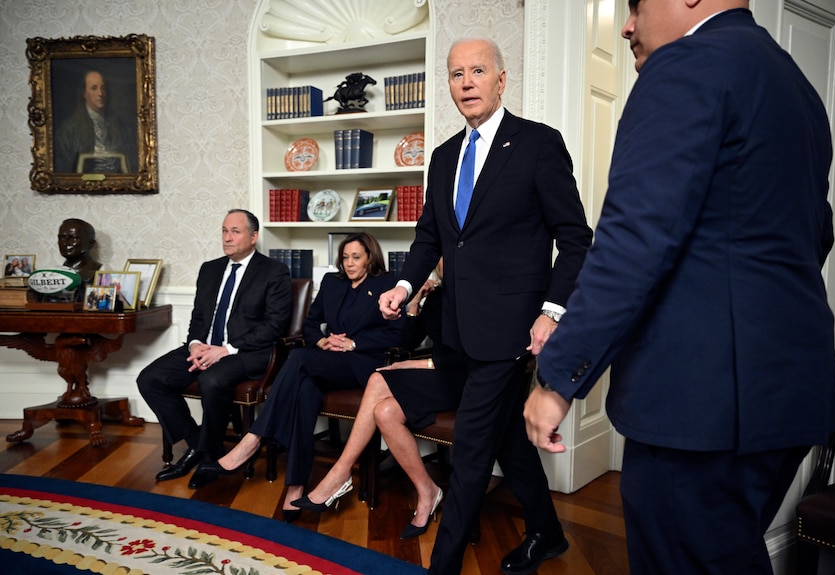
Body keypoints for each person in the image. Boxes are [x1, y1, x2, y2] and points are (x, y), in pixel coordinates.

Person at [524, 2, 835, 574]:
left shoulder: (685, 65)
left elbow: (633, 239)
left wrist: (556, 379)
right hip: (789, 394)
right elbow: (813, 236)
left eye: (636, 6)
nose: (626, 25)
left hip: (701, 406)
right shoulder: (798, 87)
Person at [378, 38, 593, 575]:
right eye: (456, 74)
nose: (467, 82)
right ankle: (546, 532)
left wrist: (553, 311)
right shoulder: (445, 155)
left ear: (501, 80)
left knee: (472, 449)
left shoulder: (540, 144)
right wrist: (404, 288)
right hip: (456, 332)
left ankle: (443, 564)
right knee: (505, 439)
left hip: (512, 332)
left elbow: (575, 237)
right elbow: (431, 235)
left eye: (477, 71)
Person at [195, 232, 404, 520]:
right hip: (326, 360)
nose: (349, 263)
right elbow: (309, 325)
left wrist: (353, 343)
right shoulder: (333, 282)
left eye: (356, 257)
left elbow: (397, 335)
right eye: (345, 257)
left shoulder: (387, 284)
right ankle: (295, 486)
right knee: (304, 390)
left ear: (371, 257)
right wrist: (321, 341)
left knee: (299, 358)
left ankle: (254, 438)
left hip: (361, 365)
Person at [296, 261, 467, 540]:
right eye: (438, 256)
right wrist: (414, 305)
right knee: (385, 412)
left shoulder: (474, 294)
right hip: (437, 374)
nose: (443, 262)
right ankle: (428, 490)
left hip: (464, 381)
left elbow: (462, 357)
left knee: (378, 378)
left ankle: (341, 472)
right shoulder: (435, 296)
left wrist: (412, 366)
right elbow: (407, 343)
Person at [137, 209, 293, 488]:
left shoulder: (274, 272)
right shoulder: (210, 269)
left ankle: (208, 457)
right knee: (150, 379)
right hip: (204, 346)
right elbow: (198, 317)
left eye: (235, 231)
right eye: (224, 231)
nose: (227, 238)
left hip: (247, 353)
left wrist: (225, 350)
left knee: (212, 379)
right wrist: (196, 345)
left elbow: (274, 326)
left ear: (254, 236)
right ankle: (200, 446)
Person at [54, 69, 136, 174]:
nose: (100, 94)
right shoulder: (68, 129)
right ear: (84, 93)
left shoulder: (120, 125)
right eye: (94, 88)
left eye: (103, 88)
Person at [57, 218, 102, 284]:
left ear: (91, 244)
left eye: (73, 238)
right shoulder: (54, 275)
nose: (65, 243)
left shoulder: (99, 273)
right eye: (62, 238)